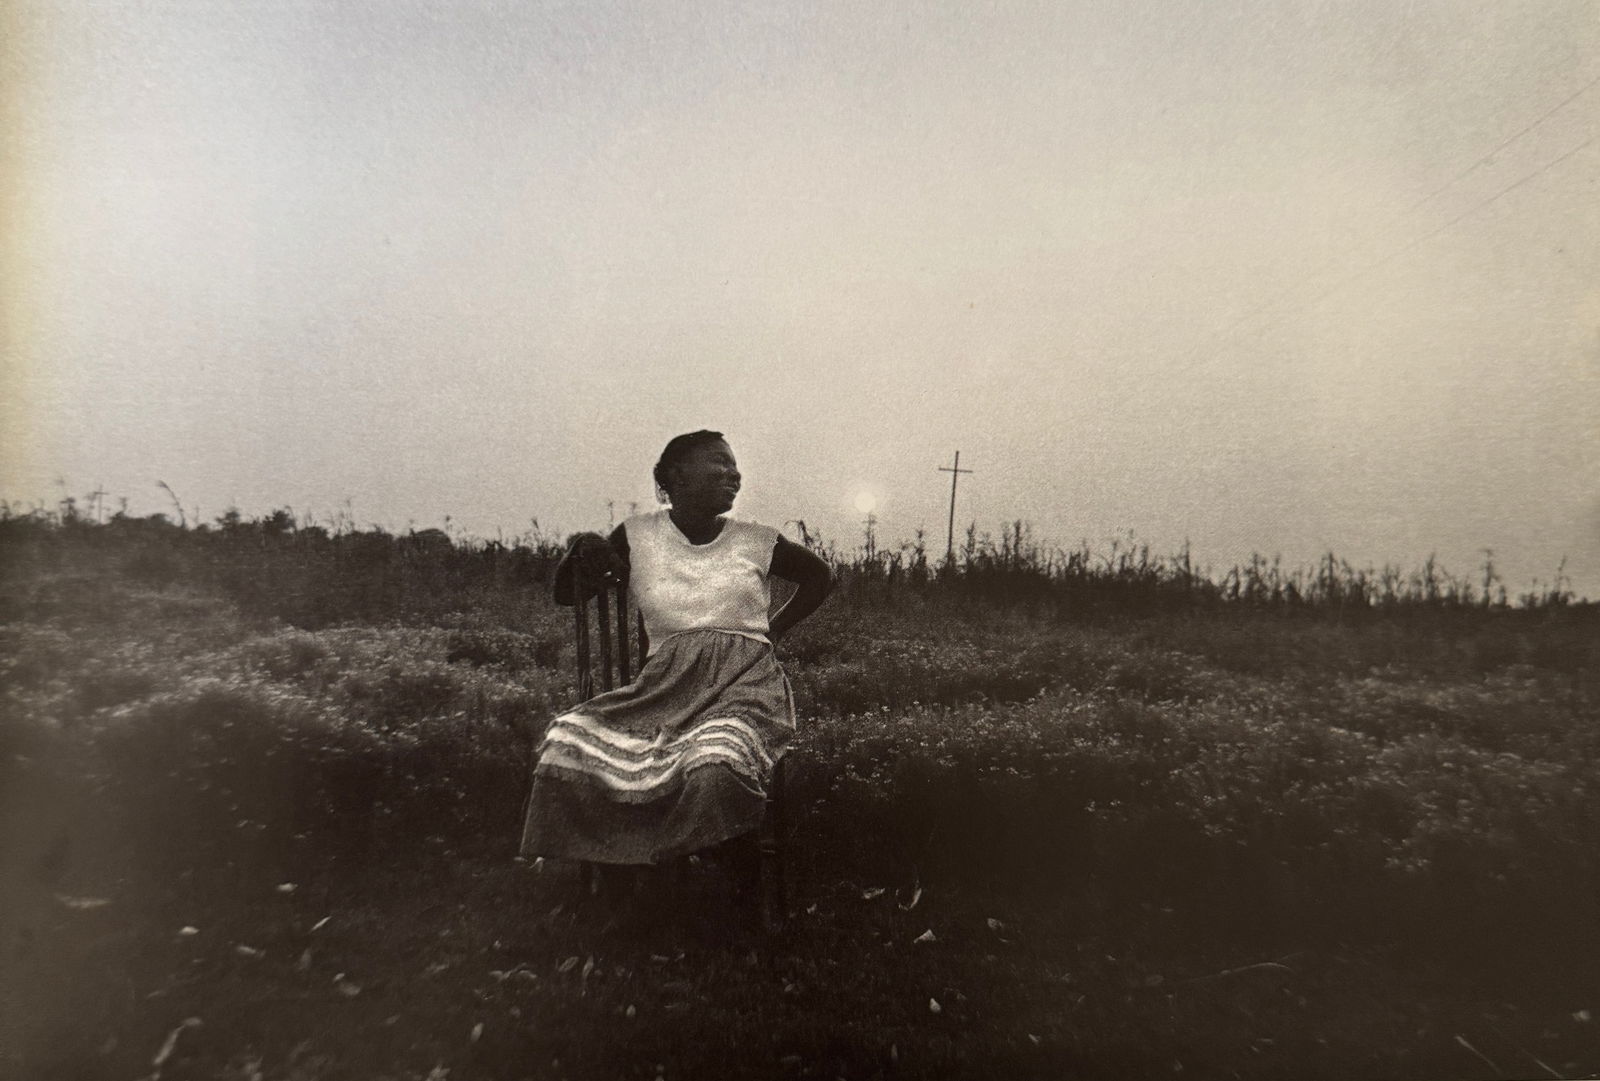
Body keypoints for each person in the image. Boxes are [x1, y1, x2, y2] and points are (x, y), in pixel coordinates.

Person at [520, 430, 833, 891]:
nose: (734, 474)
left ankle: (736, 899)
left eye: (735, 466)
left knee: (716, 761)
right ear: (676, 476)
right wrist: (582, 547)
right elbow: (570, 595)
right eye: (719, 463)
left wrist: (771, 633)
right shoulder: (638, 536)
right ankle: (628, 877)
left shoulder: (757, 539)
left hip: (742, 690)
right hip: (662, 692)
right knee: (568, 742)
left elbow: (820, 576)